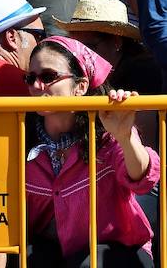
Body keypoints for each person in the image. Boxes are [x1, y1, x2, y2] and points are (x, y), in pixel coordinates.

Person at [23, 37, 159, 267]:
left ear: (81, 87)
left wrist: (125, 137)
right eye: (30, 78)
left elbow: (143, 179)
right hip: (56, 253)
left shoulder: (107, 129)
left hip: (118, 253)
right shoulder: (21, 135)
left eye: (48, 77)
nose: (36, 86)